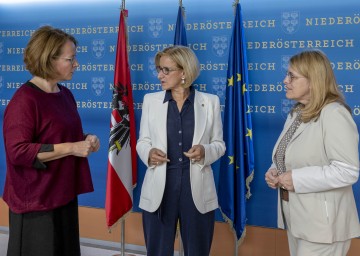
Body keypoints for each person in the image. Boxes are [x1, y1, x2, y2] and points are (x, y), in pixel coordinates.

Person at [2, 26, 100, 256]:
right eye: (71, 58)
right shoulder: (24, 100)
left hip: (63, 194)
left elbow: (59, 135)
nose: (77, 64)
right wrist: (72, 148)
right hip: (36, 202)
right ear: (49, 59)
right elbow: (18, 151)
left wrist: (86, 139)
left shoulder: (64, 94)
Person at [265, 49, 360, 256]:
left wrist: (295, 178)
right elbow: (289, 156)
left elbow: (347, 171)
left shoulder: (334, 114)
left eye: (292, 76)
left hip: (325, 226)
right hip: (298, 219)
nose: (285, 80)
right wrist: (275, 171)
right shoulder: (297, 113)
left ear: (313, 80)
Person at [136, 45, 225, 255]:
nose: (160, 75)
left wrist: (205, 151)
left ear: (184, 72)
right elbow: (142, 141)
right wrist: (148, 153)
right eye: (159, 69)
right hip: (160, 187)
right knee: (157, 250)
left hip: (197, 189)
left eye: (166, 70)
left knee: (197, 251)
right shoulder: (151, 100)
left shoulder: (210, 102)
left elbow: (219, 145)